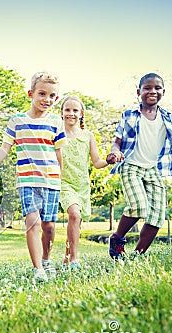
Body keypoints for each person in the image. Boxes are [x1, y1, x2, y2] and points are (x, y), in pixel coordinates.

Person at [0, 72, 67, 283]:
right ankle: (38, 269)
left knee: (49, 226)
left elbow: (58, 154)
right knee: (32, 222)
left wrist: (61, 177)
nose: (47, 99)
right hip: (27, 180)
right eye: (42, 94)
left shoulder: (56, 121)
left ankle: (46, 259)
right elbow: (5, 148)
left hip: (51, 180)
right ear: (31, 93)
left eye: (52, 96)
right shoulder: (17, 121)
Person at [106, 73, 172, 259]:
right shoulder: (130, 115)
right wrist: (115, 152)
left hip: (153, 170)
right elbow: (117, 142)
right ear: (139, 92)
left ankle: (137, 257)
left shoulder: (168, 118)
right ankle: (117, 239)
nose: (152, 91)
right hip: (131, 166)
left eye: (157, 88)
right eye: (147, 88)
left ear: (163, 92)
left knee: (158, 216)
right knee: (138, 206)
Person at [58, 95, 109, 269]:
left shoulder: (88, 136)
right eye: (67, 110)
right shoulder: (56, 135)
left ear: (81, 114)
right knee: (74, 215)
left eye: (75, 110)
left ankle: (66, 258)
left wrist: (109, 160)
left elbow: (97, 162)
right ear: (61, 112)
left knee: (75, 223)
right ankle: (74, 259)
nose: (71, 113)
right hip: (64, 184)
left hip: (82, 185)